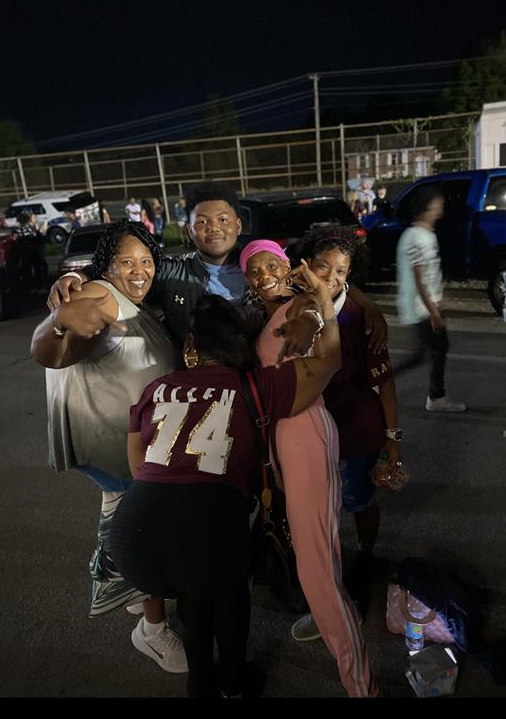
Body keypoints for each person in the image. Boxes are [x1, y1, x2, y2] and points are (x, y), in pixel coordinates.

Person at [110, 279, 345, 699]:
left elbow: (137, 465)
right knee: (228, 594)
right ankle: (234, 686)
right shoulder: (256, 386)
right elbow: (329, 359)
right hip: (208, 529)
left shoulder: (155, 389)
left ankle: (200, 684)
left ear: (191, 349)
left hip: (133, 539)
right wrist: (324, 306)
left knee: (191, 593)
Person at [30, 220, 187, 674]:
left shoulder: (130, 298)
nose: (139, 270)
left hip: (129, 443)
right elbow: (50, 351)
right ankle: (152, 630)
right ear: (107, 266)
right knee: (147, 535)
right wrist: (57, 325)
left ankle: (131, 589)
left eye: (146, 261)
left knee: (126, 524)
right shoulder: (99, 295)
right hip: (117, 447)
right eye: (126, 261)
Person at [241, 240, 378, 698]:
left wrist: (313, 313)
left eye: (272, 265)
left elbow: (313, 320)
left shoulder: (298, 305)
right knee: (318, 555)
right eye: (254, 270)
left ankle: (362, 685)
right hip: (285, 441)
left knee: (315, 569)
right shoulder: (263, 314)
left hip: (304, 434)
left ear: (288, 266)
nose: (264, 275)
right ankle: (334, 617)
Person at [47, 181, 389, 354]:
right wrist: (76, 276)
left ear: (238, 225)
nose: (214, 228)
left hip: (265, 385)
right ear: (189, 230)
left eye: (223, 219)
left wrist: (368, 306)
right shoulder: (171, 272)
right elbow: (124, 273)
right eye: (203, 221)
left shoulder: (263, 265)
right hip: (201, 394)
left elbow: (324, 279)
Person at [288, 224, 401, 641]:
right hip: (307, 431)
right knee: (320, 512)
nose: (332, 277)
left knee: (358, 499)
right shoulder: (291, 304)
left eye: (341, 271)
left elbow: (385, 386)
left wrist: (393, 441)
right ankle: (326, 584)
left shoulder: (360, 318)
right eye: (324, 267)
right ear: (307, 265)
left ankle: (366, 558)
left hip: (354, 431)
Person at [395, 184, 466, 412]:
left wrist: (440, 298)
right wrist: (434, 311)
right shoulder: (417, 238)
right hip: (421, 308)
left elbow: (428, 275)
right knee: (438, 349)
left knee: (421, 354)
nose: (441, 207)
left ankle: (375, 384)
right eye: (438, 203)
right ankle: (436, 398)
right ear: (428, 207)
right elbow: (419, 279)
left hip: (424, 305)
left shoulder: (422, 235)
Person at [14, 209, 48, 290]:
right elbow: (35, 241)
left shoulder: (25, 228)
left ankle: (33, 285)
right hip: (32, 253)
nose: (35, 217)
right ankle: (37, 286)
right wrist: (41, 231)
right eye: (33, 216)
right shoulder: (27, 228)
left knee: (30, 270)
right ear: (29, 218)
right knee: (38, 269)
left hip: (28, 253)